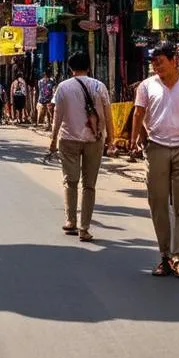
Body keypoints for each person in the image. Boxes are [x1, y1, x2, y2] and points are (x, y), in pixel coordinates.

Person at [131, 41, 179, 279]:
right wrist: (134, 139)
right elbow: (139, 113)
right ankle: (165, 256)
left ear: (174, 60)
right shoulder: (146, 86)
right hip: (156, 147)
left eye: (160, 62)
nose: (157, 67)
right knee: (158, 203)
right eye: (153, 63)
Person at [49, 51, 114, 242]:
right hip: (94, 139)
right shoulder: (99, 86)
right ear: (89, 66)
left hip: (68, 139)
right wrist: (111, 139)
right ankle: (84, 228)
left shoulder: (63, 87)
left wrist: (53, 140)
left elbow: (57, 116)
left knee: (70, 181)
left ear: (70, 68)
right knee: (89, 185)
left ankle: (70, 221)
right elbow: (108, 116)